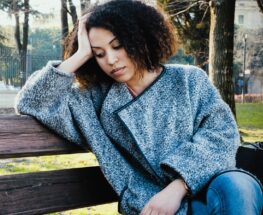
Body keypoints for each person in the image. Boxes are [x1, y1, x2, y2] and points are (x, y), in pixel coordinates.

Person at [15, 0, 263, 214]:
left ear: (139, 37)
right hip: (154, 206)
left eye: (117, 45)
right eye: (98, 53)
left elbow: (222, 133)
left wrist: (179, 186)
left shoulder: (189, 80)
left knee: (238, 187)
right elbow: (32, 101)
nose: (111, 60)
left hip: (212, 184)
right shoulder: (91, 102)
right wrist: (79, 55)